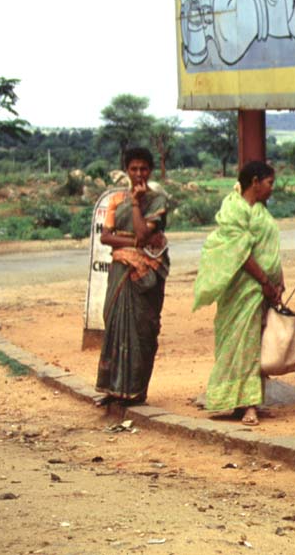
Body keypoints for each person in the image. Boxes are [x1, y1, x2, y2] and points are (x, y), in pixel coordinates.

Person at [193, 160, 283, 427]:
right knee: (241, 344)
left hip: (263, 289)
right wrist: (265, 281)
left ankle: (247, 399)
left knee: (254, 344)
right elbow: (240, 252)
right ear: (255, 182)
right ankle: (247, 405)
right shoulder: (234, 208)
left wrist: (278, 281)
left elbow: (269, 248)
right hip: (243, 289)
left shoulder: (260, 211)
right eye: (269, 183)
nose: (271, 189)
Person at [95, 147, 169, 407]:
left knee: (142, 329)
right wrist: (131, 243)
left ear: (150, 171)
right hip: (120, 271)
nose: (138, 174)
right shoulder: (116, 200)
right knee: (115, 324)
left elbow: (142, 235)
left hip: (146, 274)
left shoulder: (158, 201)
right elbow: (105, 237)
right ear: (127, 170)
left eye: (143, 169)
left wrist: (137, 204)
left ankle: (136, 391)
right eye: (134, 169)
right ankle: (113, 389)